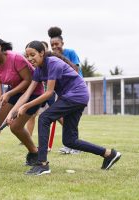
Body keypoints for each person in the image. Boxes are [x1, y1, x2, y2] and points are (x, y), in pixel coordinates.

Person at [7, 41, 121, 175]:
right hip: (75, 97)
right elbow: (27, 93)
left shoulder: (53, 63)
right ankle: (109, 154)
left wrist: (26, 106)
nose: (30, 58)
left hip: (76, 95)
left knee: (44, 118)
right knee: (70, 141)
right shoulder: (38, 70)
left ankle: (42, 164)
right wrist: (12, 112)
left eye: (33, 54)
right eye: (27, 56)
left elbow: (49, 93)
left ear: (42, 53)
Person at [0, 35, 44, 168]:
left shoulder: (16, 58)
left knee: (15, 126)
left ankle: (34, 152)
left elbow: (28, 80)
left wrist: (9, 93)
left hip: (33, 92)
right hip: (15, 92)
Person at [48, 26, 82, 154]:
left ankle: (76, 146)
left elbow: (75, 70)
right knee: (66, 118)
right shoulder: (53, 57)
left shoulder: (71, 52)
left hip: (75, 88)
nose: (55, 47)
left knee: (71, 118)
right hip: (63, 90)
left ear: (62, 43)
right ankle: (69, 145)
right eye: (52, 45)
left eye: (57, 44)